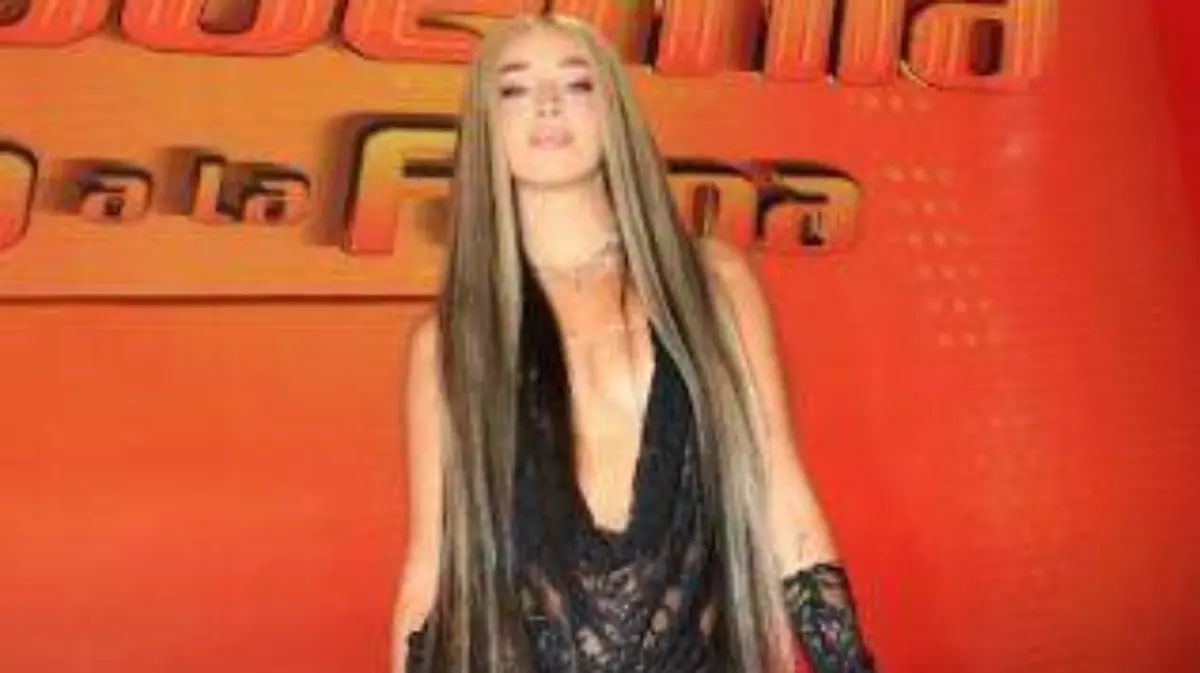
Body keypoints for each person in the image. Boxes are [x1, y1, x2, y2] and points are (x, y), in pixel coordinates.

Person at [393, 11, 876, 673]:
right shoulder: (450, 345)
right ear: (484, 126)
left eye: (577, 83)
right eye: (514, 88)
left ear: (613, 110)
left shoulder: (709, 283)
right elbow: (432, 573)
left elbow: (783, 503)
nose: (547, 103)